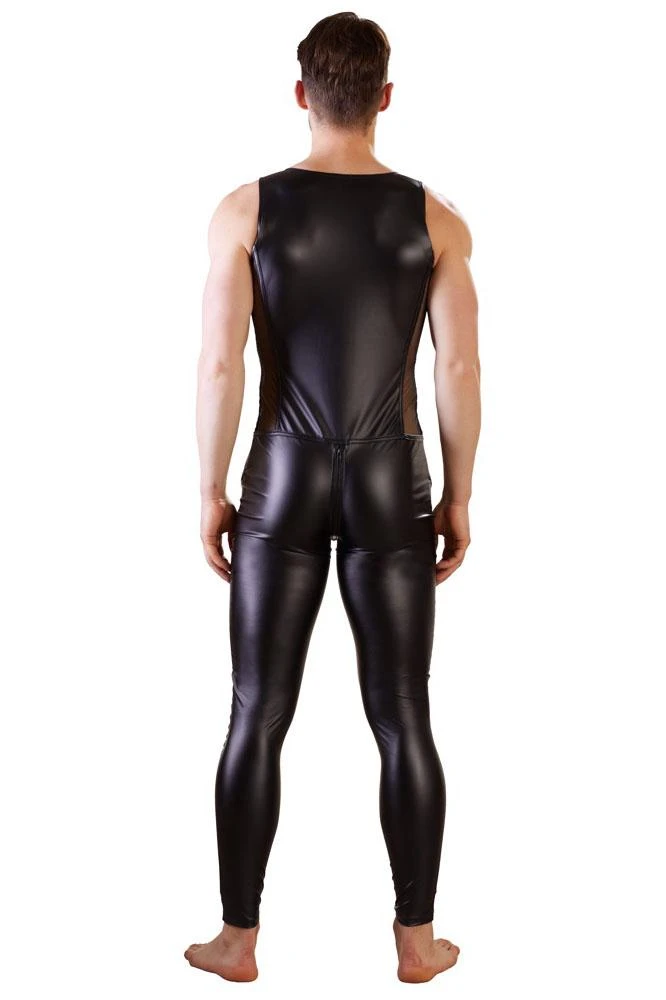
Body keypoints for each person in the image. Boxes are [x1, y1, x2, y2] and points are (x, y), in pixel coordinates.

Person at [186, 11, 480, 985]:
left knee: (257, 711)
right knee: (403, 713)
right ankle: (416, 942)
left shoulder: (245, 211)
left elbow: (221, 365)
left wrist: (210, 489)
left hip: (283, 476)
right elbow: (459, 370)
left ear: (301, 94)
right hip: (394, 478)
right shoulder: (436, 220)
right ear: (385, 97)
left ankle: (236, 940)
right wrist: (461, 494)